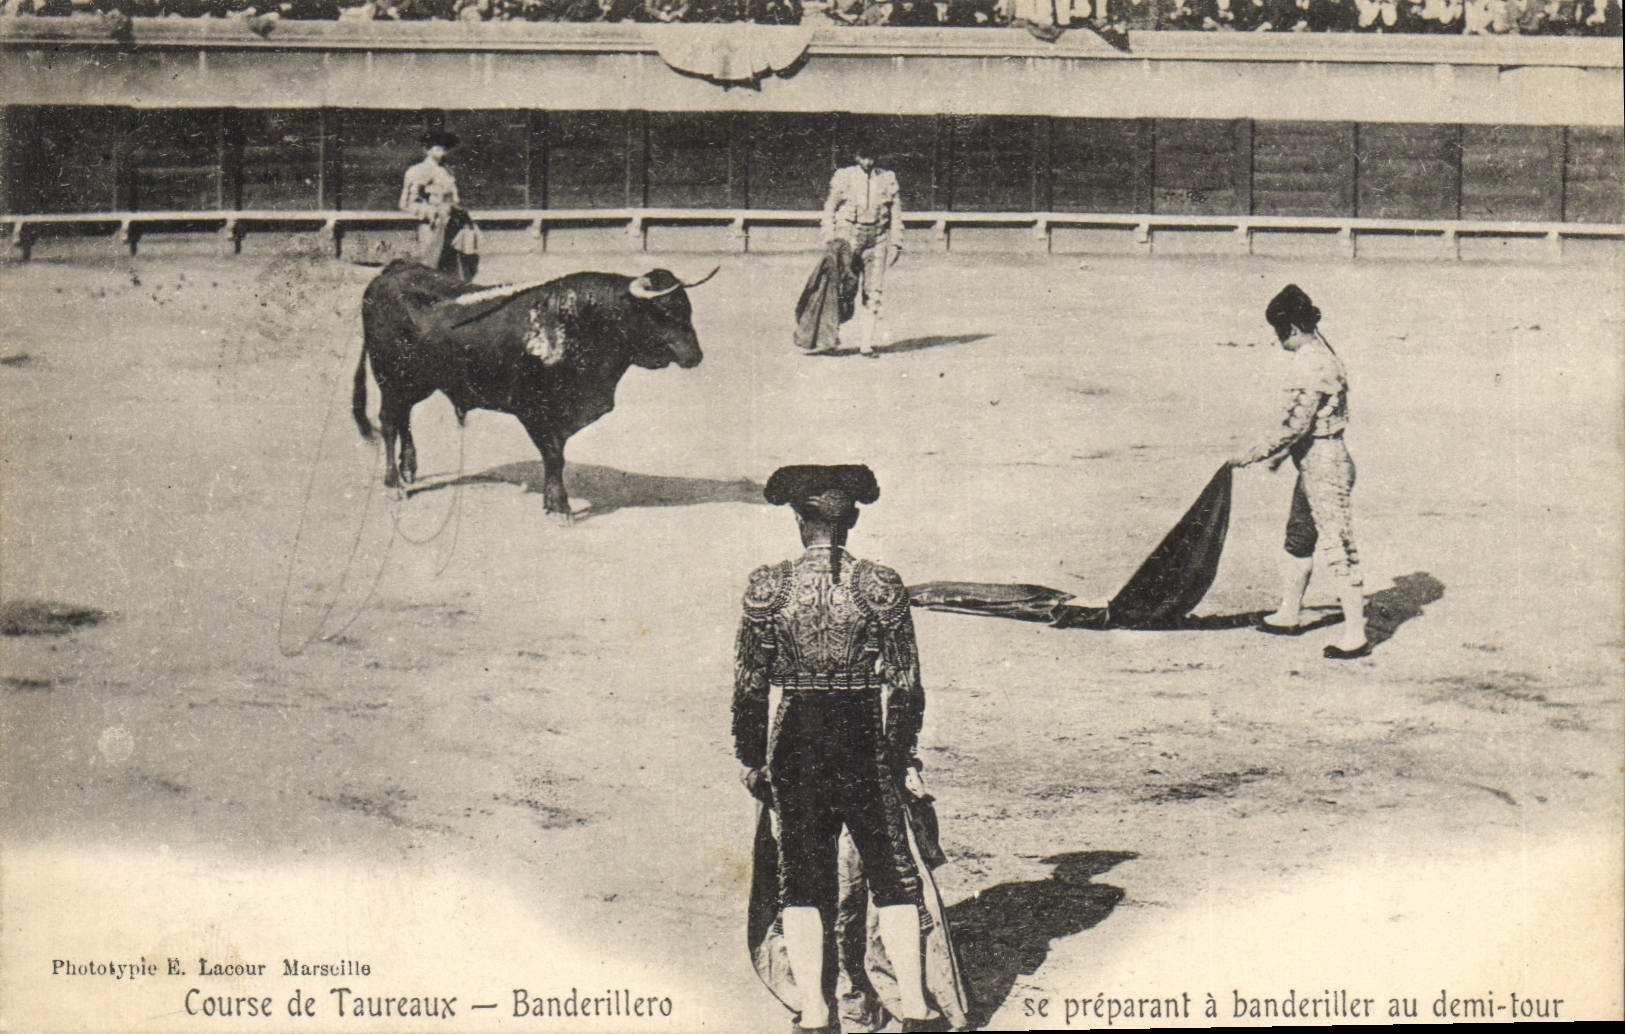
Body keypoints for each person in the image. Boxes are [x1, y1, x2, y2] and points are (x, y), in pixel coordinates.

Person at [733, 465, 954, 1033]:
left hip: (797, 739)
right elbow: (906, 686)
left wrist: (753, 758)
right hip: (862, 735)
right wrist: (899, 755)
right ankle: (916, 1007)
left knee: (801, 878)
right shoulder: (879, 584)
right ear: (851, 520)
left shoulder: (768, 586)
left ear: (798, 519)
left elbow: (750, 687)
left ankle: (815, 1012)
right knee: (892, 874)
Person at [1230, 285, 1369, 660]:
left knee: (1338, 546)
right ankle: (1289, 612)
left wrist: (1254, 454)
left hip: (1324, 465)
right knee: (1299, 537)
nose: (1279, 341)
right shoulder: (1325, 353)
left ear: (1290, 328)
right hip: (1316, 461)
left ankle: (1355, 635)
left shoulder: (1311, 363)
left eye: (1280, 333)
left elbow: (1295, 424)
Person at [820, 141, 903, 356]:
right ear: (856, 157)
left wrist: (896, 242)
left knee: (873, 292)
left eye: (871, 157)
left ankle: (866, 344)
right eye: (863, 156)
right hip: (848, 238)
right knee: (842, 290)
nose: (868, 161)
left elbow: (896, 213)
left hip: (877, 238)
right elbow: (830, 207)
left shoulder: (887, 177)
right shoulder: (844, 176)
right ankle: (831, 338)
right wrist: (829, 238)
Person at [399, 130, 479, 280]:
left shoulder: (446, 171)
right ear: (427, 150)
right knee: (429, 260)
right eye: (437, 148)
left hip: (451, 221)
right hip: (431, 222)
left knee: (451, 264)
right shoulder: (418, 171)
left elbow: (454, 198)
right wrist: (428, 212)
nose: (441, 152)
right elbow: (407, 202)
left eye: (443, 148)